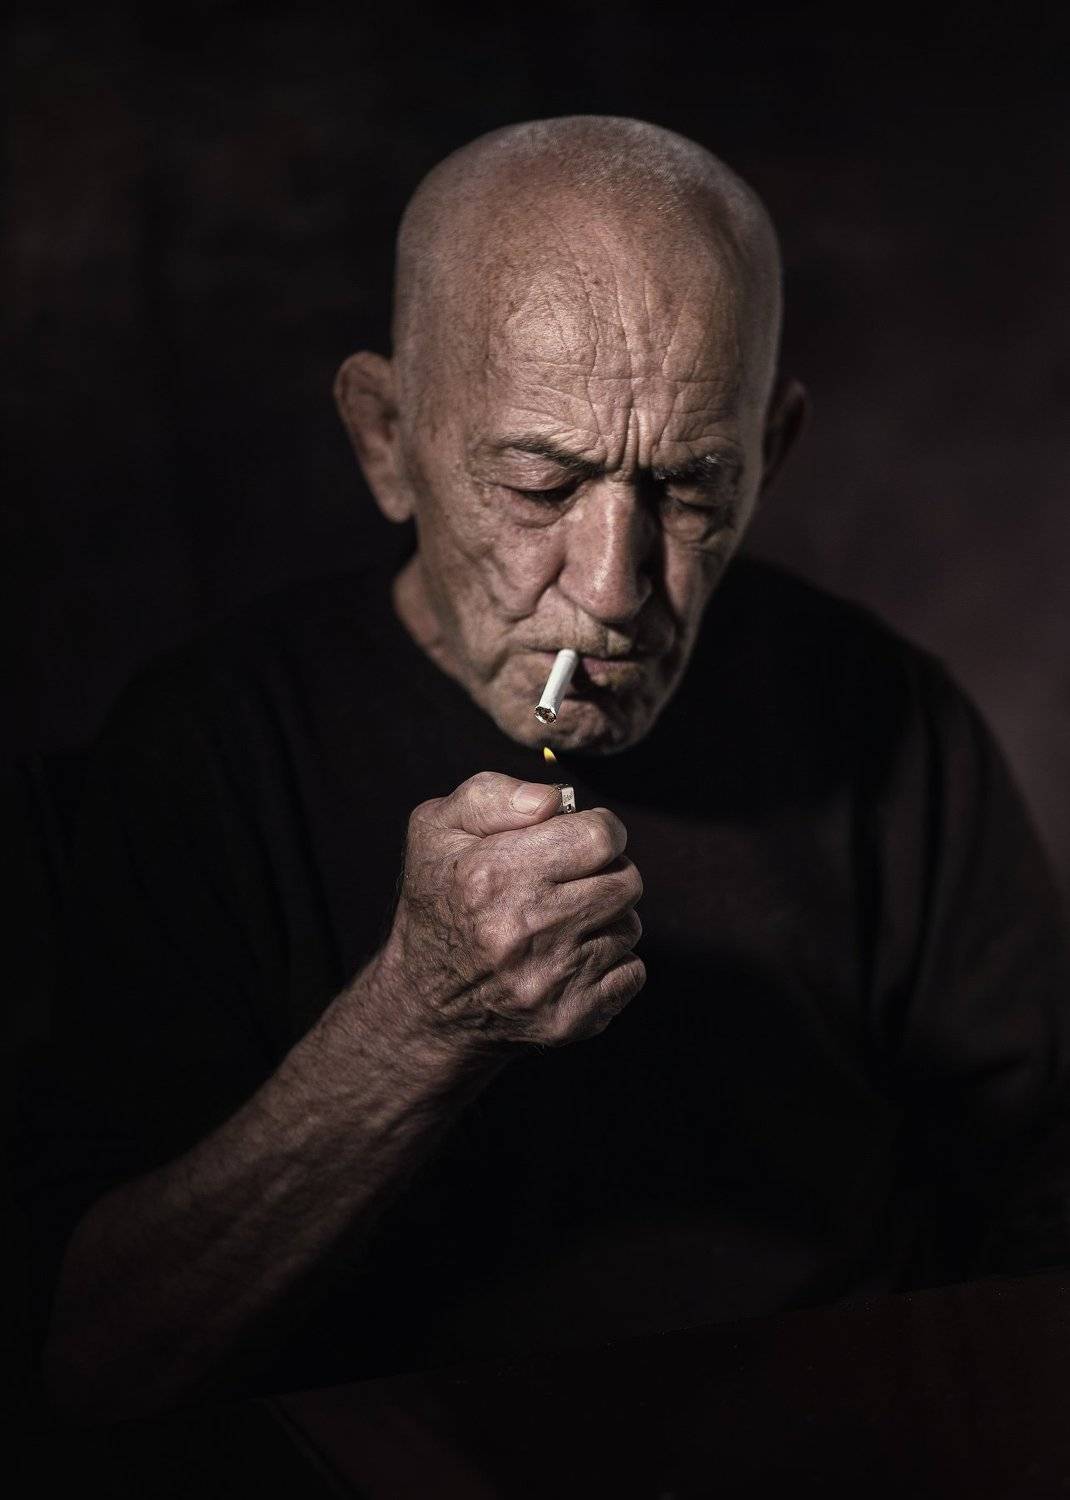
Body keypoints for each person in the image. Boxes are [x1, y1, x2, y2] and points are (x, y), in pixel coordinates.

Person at [17, 116, 1070, 1425]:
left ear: (774, 451)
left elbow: (1038, 1186)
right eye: (538, 486)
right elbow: (88, 1359)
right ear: (386, 439)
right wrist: (412, 1025)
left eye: (690, 489)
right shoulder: (212, 751)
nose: (615, 589)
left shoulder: (879, 713)